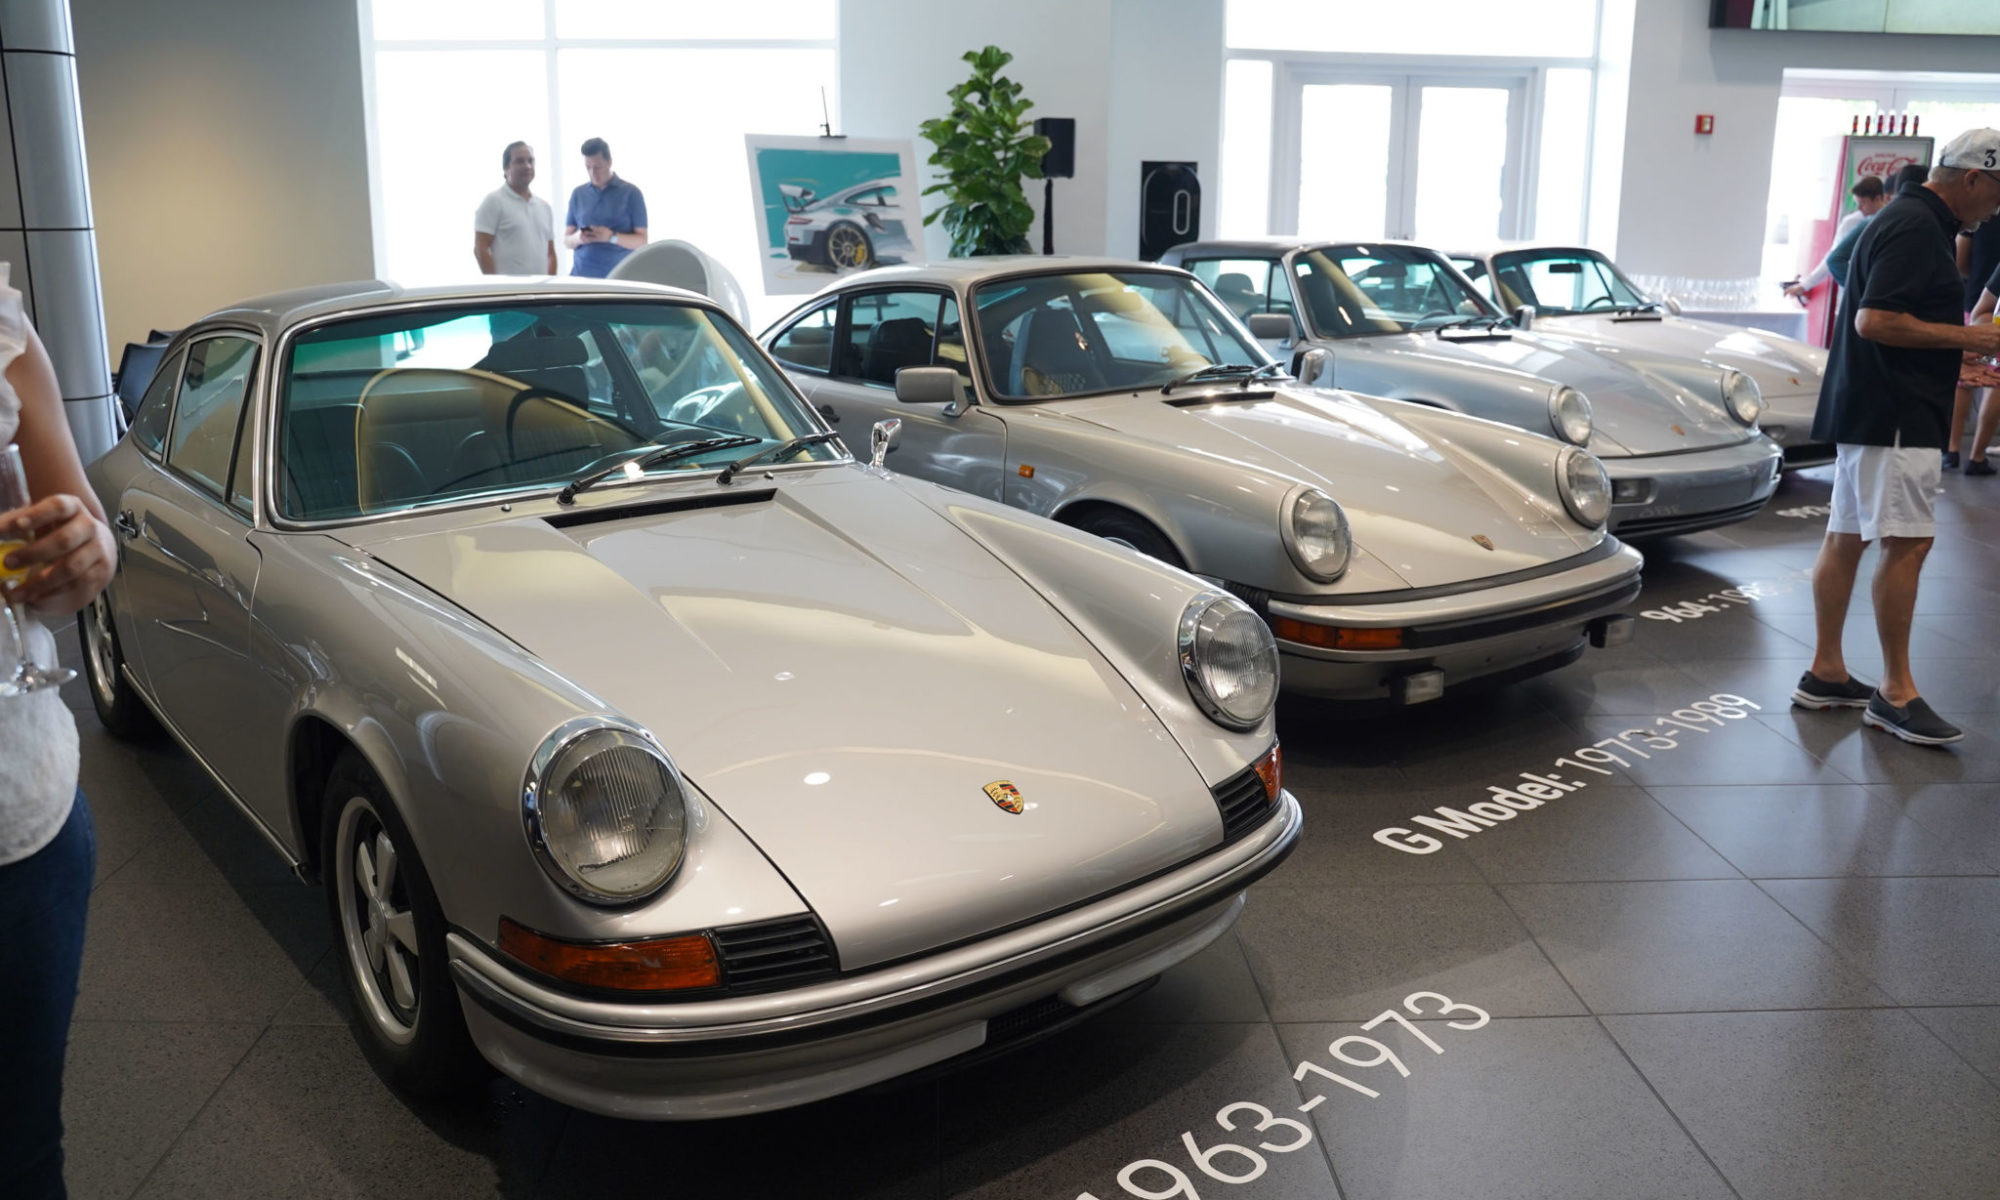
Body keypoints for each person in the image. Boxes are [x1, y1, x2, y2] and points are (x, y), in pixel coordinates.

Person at [1795, 129, 2000, 746]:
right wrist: (1971, 339)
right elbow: (1876, 319)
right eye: (1997, 193)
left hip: (1873, 406)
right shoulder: (1916, 225)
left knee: (1847, 535)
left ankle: (1827, 672)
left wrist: (1949, 357)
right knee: (1906, 544)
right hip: (1895, 415)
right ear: (1972, 179)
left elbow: (1890, 321)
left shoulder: (1907, 217)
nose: (1997, 208)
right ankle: (1896, 692)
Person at [0, 269, 117, 1199]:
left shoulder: (1, 321)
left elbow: (85, 550)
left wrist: (81, 550)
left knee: (22, 1151)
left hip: (19, 820)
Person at [1785, 175, 1887, 301]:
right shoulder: (1852, 221)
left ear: (1877, 199)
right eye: (1857, 204)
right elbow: (1833, 258)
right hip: (1856, 293)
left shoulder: (1890, 220)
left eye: (1862, 203)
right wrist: (1805, 285)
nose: (1859, 208)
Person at [564, 137, 647, 278]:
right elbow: (567, 241)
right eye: (588, 168)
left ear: (609, 162)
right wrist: (579, 238)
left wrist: (611, 237)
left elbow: (642, 241)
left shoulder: (631, 193)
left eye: (597, 167)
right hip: (582, 277)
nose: (593, 173)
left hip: (619, 278)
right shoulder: (578, 194)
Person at [473, 141, 557, 276]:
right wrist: (497, 287)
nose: (527, 166)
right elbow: (480, 248)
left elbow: (550, 253)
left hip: (540, 293)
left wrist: (549, 288)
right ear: (506, 169)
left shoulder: (544, 207)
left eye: (530, 161)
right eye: (520, 161)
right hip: (509, 293)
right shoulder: (494, 201)